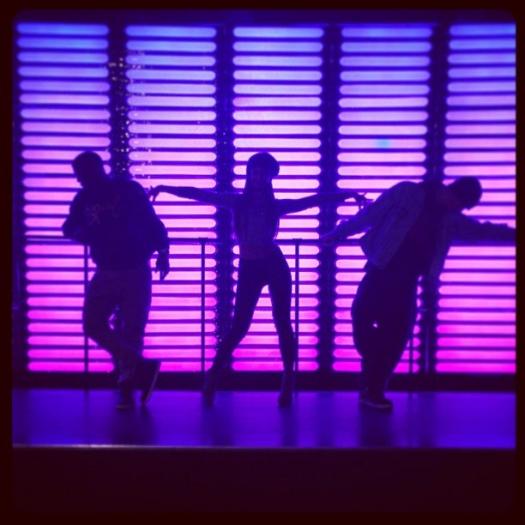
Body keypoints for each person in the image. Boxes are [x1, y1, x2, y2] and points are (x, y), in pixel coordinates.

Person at [149, 151, 368, 407]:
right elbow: (200, 194)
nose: (257, 176)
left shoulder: (268, 205)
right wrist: (165, 188)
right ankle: (214, 377)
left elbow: (313, 200)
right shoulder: (239, 202)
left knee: (281, 322)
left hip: (272, 264)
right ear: (249, 173)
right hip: (251, 267)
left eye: (262, 172)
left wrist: (347, 195)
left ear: (269, 177)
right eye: (254, 170)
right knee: (240, 326)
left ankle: (286, 380)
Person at [322, 177, 515, 410]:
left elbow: (480, 230)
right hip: (380, 272)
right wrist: (337, 234)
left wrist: (512, 234)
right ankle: (372, 377)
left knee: (395, 338)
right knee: (363, 321)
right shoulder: (407, 193)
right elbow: (371, 215)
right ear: (453, 194)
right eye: (461, 205)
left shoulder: (448, 218)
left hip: (406, 282)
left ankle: (373, 391)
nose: (459, 210)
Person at [62, 151, 170, 409]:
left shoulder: (105, 194)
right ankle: (138, 371)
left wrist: (87, 235)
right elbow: (154, 223)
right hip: (130, 268)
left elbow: (152, 223)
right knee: (123, 329)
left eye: (81, 175)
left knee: (107, 327)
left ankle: (128, 389)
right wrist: (163, 253)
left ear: (93, 171)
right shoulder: (117, 191)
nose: (79, 180)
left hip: (120, 269)